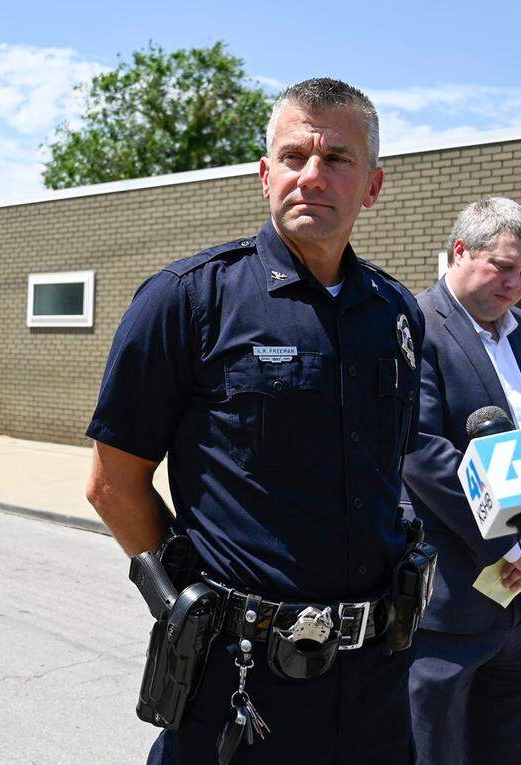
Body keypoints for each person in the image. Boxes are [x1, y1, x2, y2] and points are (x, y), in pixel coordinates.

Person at [86, 77, 426, 764]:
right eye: (295, 156)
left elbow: (391, 467)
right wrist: (187, 593)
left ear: (373, 185)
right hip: (240, 678)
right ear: (265, 175)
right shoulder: (187, 300)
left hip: (378, 682)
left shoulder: (396, 314)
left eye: (337, 160)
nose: (313, 175)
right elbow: (112, 482)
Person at [403, 197, 521, 765]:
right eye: (504, 267)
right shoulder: (413, 325)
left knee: (511, 748)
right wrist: (512, 540)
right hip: (452, 596)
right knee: (437, 751)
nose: (516, 284)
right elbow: (421, 452)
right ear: (461, 250)